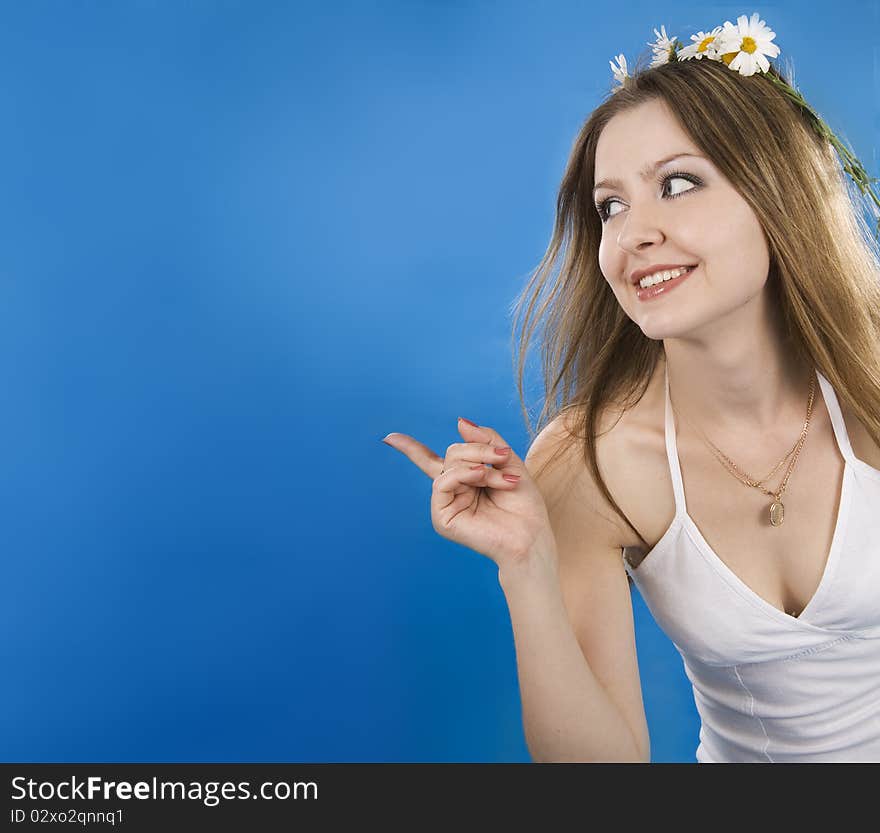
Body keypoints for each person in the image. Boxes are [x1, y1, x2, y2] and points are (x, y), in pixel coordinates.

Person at [381, 13, 880, 763]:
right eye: (610, 205)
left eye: (677, 184)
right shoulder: (590, 461)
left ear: (778, 196)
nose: (632, 234)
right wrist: (527, 566)